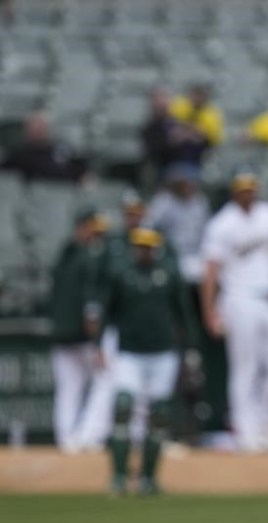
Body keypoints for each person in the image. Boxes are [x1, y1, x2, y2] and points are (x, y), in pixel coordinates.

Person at [200, 171, 268, 453]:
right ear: (234, 192)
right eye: (242, 189)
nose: (247, 193)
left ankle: (263, 417)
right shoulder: (222, 223)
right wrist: (210, 310)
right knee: (245, 366)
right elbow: (211, 271)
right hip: (237, 297)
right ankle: (243, 428)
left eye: (251, 188)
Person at [101, 228, 199, 495]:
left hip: (162, 352)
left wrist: (190, 350)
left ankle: (148, 479)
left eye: (149, 246)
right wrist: (99, 344)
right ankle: (119, 478)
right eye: (140, 246)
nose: (144, 251)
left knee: (161, 414)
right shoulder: (122, 273)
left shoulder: (168, 274)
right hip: (130, 352)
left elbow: (184, 314)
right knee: (123, 407)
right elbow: (106, 310)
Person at [49, 209, 109, 453]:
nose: (98, 234)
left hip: (61, 334)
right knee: (105, 379)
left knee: (68, 389)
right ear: (82, 227)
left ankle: (66, 440)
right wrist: (97, 339)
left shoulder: (64, 254)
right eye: (93, 228)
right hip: (83, 335)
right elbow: (91, 302)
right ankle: (88, 435)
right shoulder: (89, 256)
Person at [144, 162, 211, 282]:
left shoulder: (200, 202)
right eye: (183, 183)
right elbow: (149, 227)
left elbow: (207, 231)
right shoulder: (163, 201)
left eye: (190, 183)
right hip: (169, 255)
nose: (187, 187)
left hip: (196, 254)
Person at [0, 111, 89, 183]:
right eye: (34, 128)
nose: (37, 132)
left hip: (65, 190)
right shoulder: (20, 154)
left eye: (41, 127)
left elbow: (80, 167)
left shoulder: (61, 148)